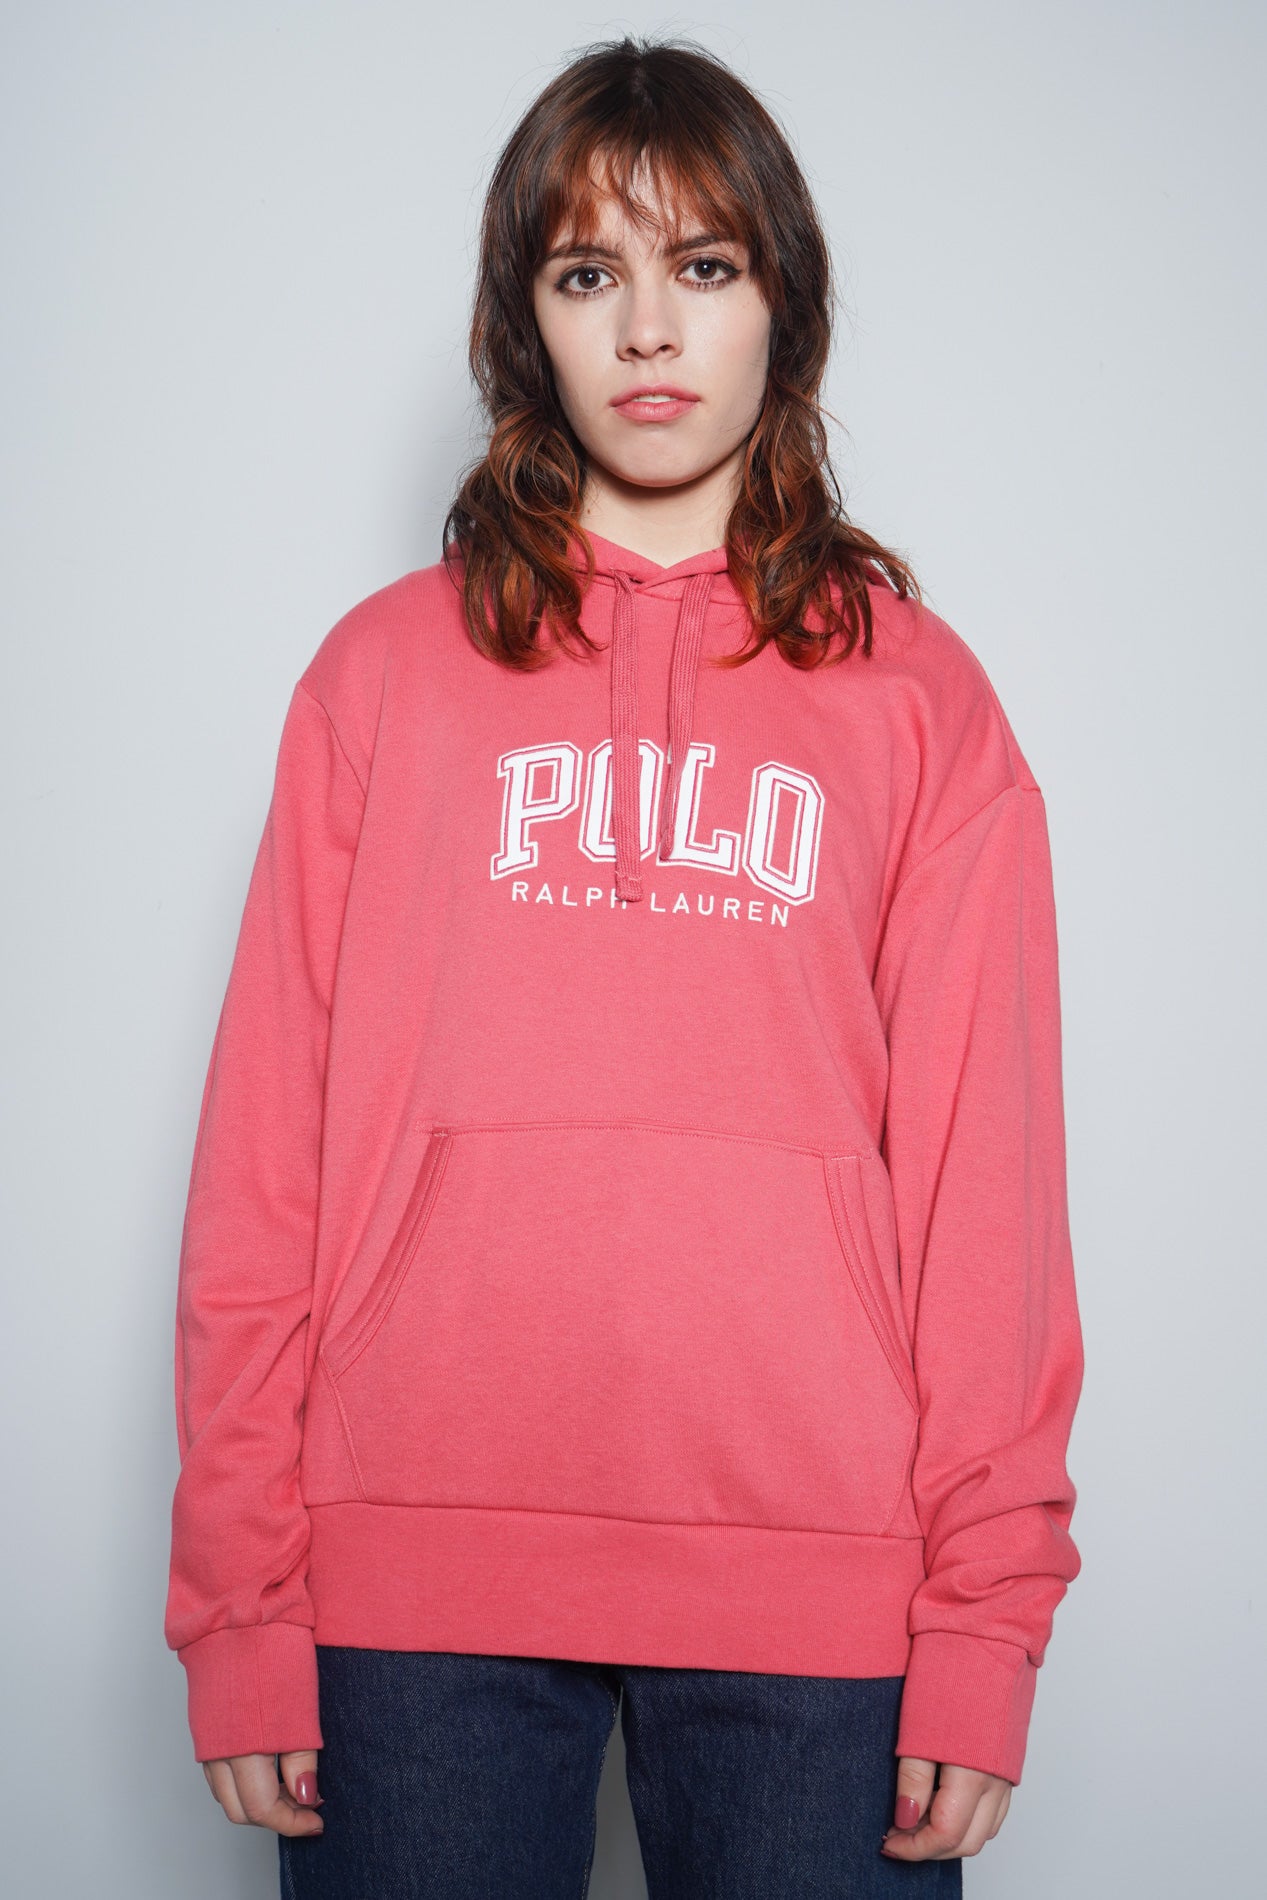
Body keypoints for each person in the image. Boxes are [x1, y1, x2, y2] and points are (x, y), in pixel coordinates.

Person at [164, 33, 1084, 1899]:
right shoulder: (382, 680)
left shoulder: (919, 704)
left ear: (781, 304)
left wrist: (984, 1618)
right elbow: (263, 1165)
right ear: (527, 321)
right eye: (591, 274)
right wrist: (241, 1597)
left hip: (822, 1586)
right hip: (409, 1582)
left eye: (705, 267)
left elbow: (988, 1195)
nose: (650, 329)